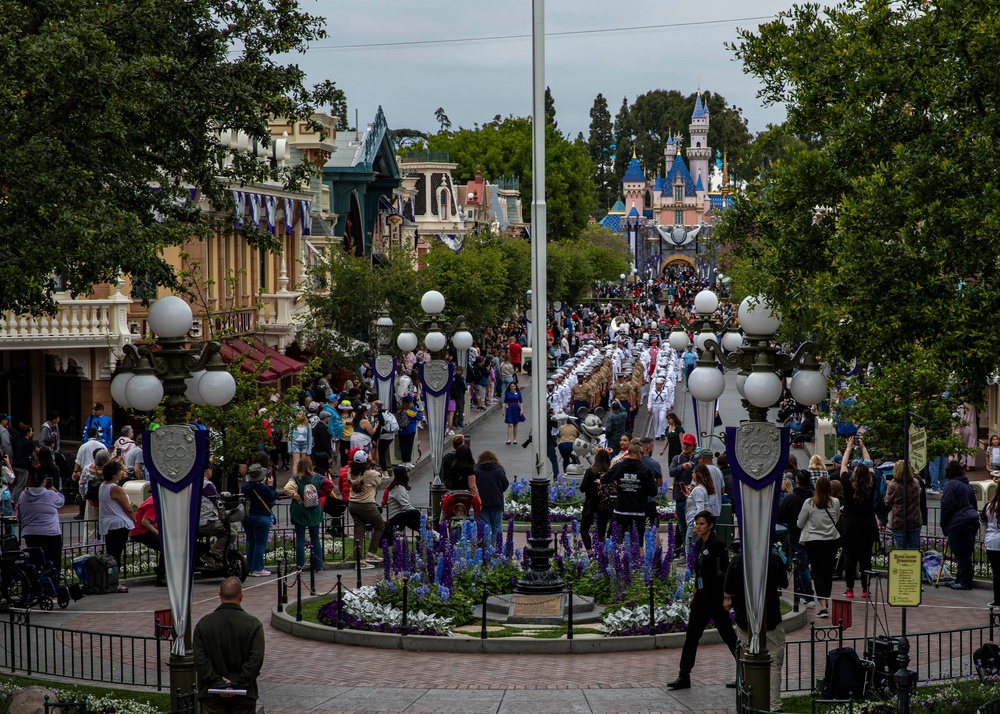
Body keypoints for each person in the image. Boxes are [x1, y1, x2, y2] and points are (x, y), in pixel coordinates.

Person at [667, 510, 739, 690]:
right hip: (701, 599)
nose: (698, 527)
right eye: (697, 524)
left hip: (716, 599)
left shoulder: (717, 545)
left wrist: (727, 596)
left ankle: (745, 673)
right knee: (691, 637)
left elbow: (724, 573)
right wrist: (694, 593)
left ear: (710, 526)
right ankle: (684, 676)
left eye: (702, 524)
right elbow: (699, 572)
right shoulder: (699, 544)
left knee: (729, 637)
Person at [724, 539, 788, 709]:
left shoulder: (737, 560)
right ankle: (774, 705)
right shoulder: (774, 559)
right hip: (771, 619)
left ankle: (750, 701)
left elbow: (728, 588)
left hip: (745, 618)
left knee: (747, 659)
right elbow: (784, 583)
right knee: (774, 661)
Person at [193, 577, 265, 714]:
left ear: (219, 594)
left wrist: (219, 683)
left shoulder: (204, 624)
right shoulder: (253, 624)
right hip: (244, 695)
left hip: (212, 695)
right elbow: (256, 659)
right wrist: (237, 684)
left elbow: (200, 660)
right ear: (241, 595)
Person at [836, 438, 879, 599]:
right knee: (865, 557)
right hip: (867, 523)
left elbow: (843, 466)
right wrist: (863, 447)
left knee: (850, 556)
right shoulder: (871, 482)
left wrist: (848, 448)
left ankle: (849, 588)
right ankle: (865, 588)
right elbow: (871, 465)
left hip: (849, 523)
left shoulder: (847, 483)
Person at [797, 476, 841, 618]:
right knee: (827, 571)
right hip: (831, 539)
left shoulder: (809, 503)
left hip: (813, 540)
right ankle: (825, 601)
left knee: (817, 572)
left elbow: (799, 523)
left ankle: (822, 605)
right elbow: (837, 518)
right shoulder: (834, 502)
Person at [284, 455, 333, 572]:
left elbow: (287, 489)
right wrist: (318, 494)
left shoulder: (295, 479)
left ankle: (299, 566)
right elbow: (330, 486)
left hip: (300, 511)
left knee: (300, 539)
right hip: (314, 511)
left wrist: (297, 496)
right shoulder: (318, 478)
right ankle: (318, 566)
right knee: (315, 539)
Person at [603, 441, 657, 539]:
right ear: (638, 454)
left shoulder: (619, 467)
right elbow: (653, 492)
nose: (642, 456)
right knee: (636, 544)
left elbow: (604, 479)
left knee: (613, 542)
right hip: (638, 512)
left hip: (621, 511)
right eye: (641, 453)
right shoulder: (646, 470)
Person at [777, 469, 815, 607]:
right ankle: (804, 593)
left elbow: (779, 515)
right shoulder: (814, 498)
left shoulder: (791, 498)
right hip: (814, 535)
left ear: (797, 481)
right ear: (809, 481)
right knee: (807, 565)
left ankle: (807, 595)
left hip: (797, 535)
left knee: (802, 566)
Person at [940, 459, 979, 590]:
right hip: (971, 520)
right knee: (965, 553)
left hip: (958, 523)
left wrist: (944, 525)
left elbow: (946, 506)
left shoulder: (951, 485)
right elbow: (973, 503)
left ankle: (965, 582)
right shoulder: (967, 485)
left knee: (961, 553)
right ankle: (960, 579)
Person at [98, 460, 135, 590]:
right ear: (114, 474)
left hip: (107, 524)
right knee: (116, 555)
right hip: (119, 524)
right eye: (119, 471)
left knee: (111, 553)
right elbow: (127, 508)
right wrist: (134, 519)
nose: (121, 474)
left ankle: (109, 580)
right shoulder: (116, 488)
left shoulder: (103, 486)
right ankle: (115, 582)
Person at [17, 470, 64, 566]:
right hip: (51, 533)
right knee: (53, 563)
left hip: (30, 534)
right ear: (44, 481)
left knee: (36, 561)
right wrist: (55, 491)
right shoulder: (50, 494)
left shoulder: (23, 496)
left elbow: (19, 516)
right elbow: (61, 501)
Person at [347, 451, 385, 567]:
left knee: (359, 531)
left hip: (353, 503)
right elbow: (380, 475)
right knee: (380, 526)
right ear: (366, 462)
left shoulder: (350, 471)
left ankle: (358, 560)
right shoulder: (370, 474)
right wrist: (372, 461)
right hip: (366, 504)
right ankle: (371, 552)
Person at [241, 464, 276, 577]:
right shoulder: (261, 487)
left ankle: (250, 567)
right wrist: (270, 485)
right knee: (260, 543)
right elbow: (272, 497)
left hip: (247, 517)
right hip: (260, 516)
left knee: (251, 543)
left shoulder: (245, 486)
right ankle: (257, 568)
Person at [579, 448, 613, 553]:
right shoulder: (610, 472)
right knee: (601, 530)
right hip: (605, 504)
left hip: (591, 503)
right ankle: (601, 552)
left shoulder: (591, 471)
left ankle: (589, 551)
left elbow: (582, 488)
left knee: (584, 528)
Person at [669, 433, 698, 555]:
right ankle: (684, 549)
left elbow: (698, 477)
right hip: (679, 496)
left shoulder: (696, 460)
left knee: (690, 525)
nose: (685, 446)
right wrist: (682, 467)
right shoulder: (677, 458)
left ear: (693, 447)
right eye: (684, 444)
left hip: (690, 498)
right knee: (681, 526)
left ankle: (689, 551)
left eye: (688, 445)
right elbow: (671, 472)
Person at [885, 459, 923, 550]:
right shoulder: (915, 483)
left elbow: (887, 502)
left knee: (900, 550)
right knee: (914, 550)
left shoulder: (893, 485)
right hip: (914, 519)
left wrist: (888, 486)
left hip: (898, 521)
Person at [129, 495, 166, 587]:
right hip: (140, 532)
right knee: (166, 547)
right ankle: (160, 577)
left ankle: (160, 570)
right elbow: (145, 522)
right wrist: (159, 534)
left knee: (166, 547)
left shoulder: (154, 499)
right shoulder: (155, 502)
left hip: (141, 531)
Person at [474, 451, 509, 537]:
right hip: (496, 502)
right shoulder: (499, 470)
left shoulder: (476, 470)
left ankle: (486, 547)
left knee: (484, 528)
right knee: (497, 527)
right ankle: (497, 547)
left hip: (482, 503)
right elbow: (505, 485)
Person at [683, 465, 716, 548]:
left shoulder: (698, 490)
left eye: (693, 472)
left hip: (693, 522)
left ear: (698, 474)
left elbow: (700, 509)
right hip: (695, 522)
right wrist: (690, 496)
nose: (692, 474)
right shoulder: (701, 489)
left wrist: (695, 525)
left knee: (690, 549)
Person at [386, 466, 422, 535]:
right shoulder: (399, 488)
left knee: (416, 525)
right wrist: (421, 515)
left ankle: (424, 533)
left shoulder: (398, 487)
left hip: (400, 515)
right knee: (415, 513)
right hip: (395, 516)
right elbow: (405, 505)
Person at [981, 485, 1000, 606]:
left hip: (992, 543)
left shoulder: (989, 506)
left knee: (997, 573)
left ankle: (997, 600)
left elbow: (982, 521)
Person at [397, 396, 421, 469]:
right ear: (411, 402)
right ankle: (408, 462)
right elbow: (419, 417)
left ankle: (404, 462)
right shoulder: (412, 409)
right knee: (409, 446)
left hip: (401, 430)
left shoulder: (399, 409)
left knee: (403, 446)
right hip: (410, 429)